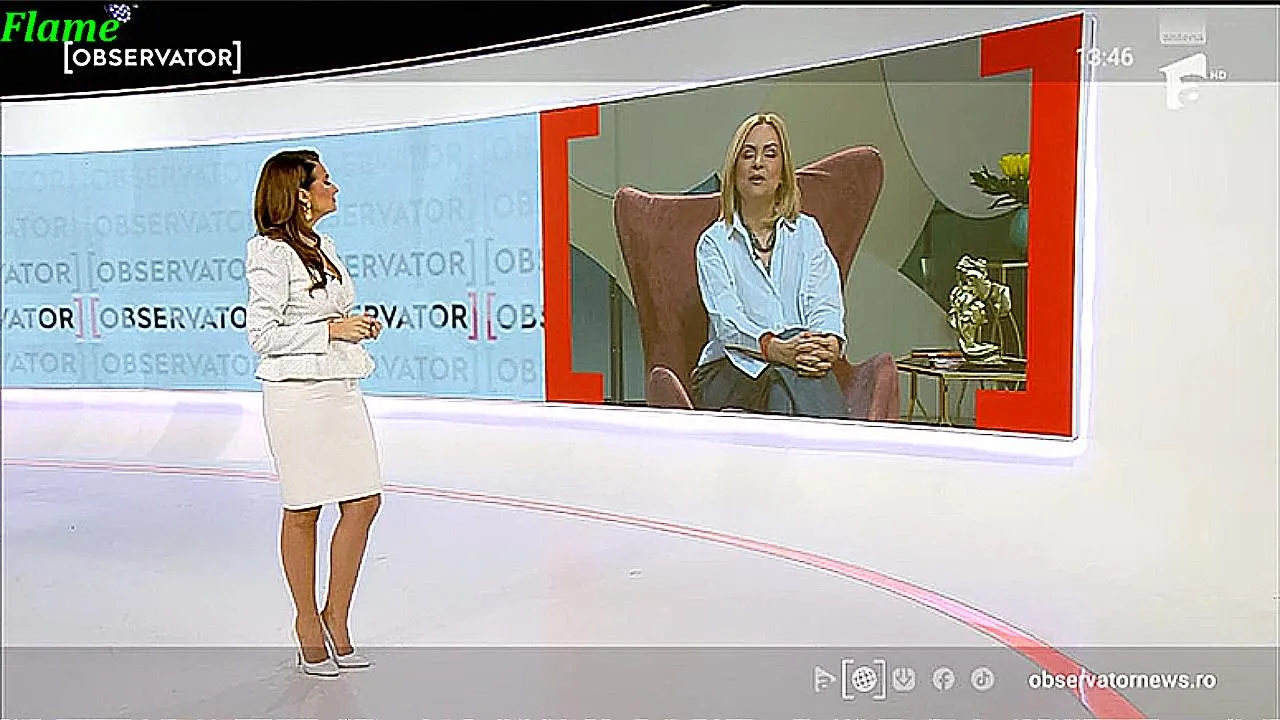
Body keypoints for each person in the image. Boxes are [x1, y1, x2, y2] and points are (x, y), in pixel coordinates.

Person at [245, 149, 384, 677]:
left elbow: (325, 315)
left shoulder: (324, 246)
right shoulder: (268, 252)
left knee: (364, 502)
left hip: (340, 388)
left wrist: (352, 325)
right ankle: (308, 624)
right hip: (297, 397)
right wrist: (331, 329)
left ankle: (336, 617)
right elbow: (262, 336)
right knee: (304, 508)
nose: (335, 187)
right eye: (326, 180)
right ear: (300, 194)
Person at [690, 113, 849, 419]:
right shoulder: (714, 243)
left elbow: (824, 300)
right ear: (734, 171)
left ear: (783, 173)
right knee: (784, 370)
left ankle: (785, 452)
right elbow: (728, 322)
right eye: (747, 154)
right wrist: (775, 349)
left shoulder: (807, 232)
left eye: (770, 154)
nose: (758, 163)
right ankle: (840, 443)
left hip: (794, 368)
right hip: (728, 371)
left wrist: (827, 342)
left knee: (783, 381)